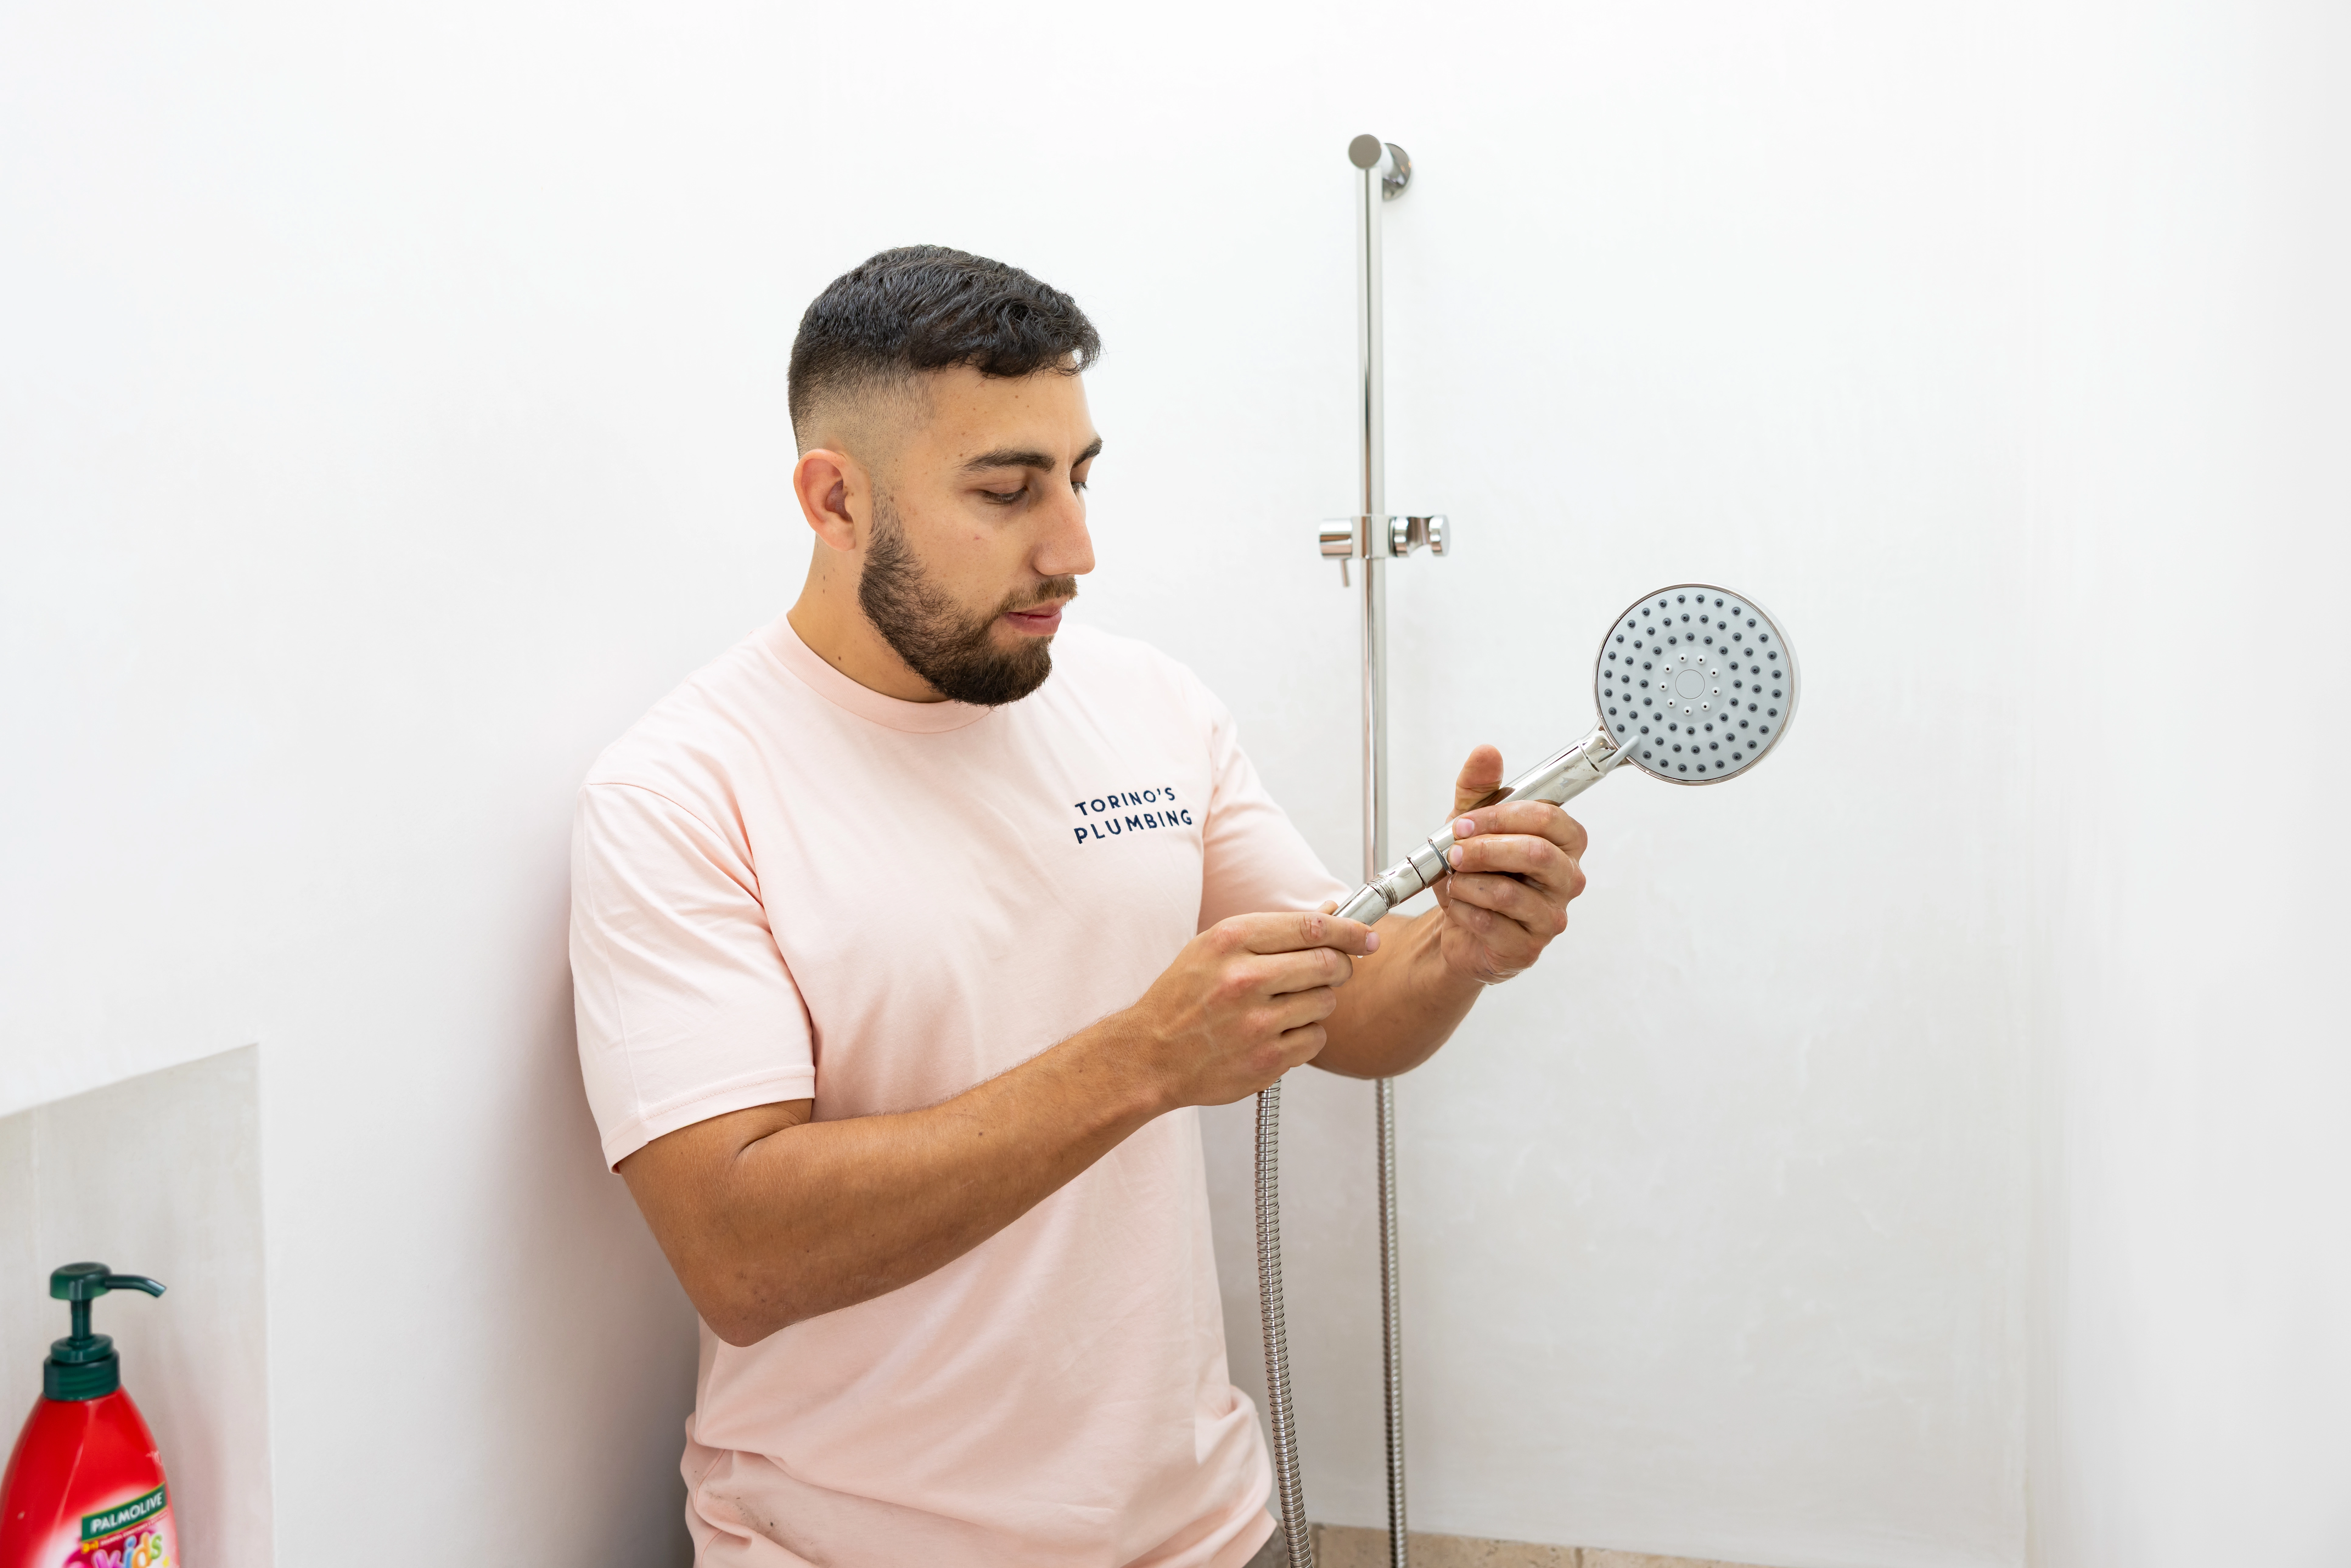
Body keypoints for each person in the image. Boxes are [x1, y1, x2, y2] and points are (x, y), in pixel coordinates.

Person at [568, 245, 1590, 1568]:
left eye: (1080, 474)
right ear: (835, 498)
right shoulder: (681, 789)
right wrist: (1145, 1060)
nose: (1075, 547)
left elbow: (1354, 1009)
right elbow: (741, 1255)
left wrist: (1456, 949)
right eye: (1007, 490)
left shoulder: (1148, 703)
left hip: (1205, 1530)